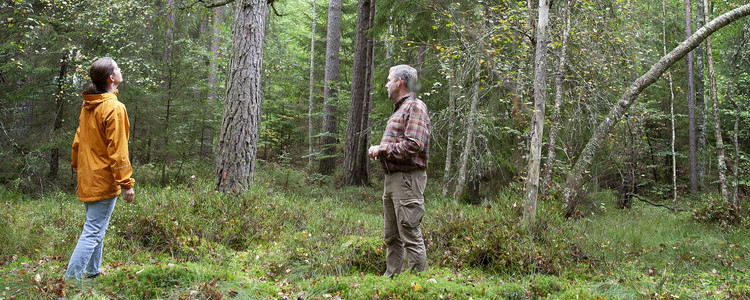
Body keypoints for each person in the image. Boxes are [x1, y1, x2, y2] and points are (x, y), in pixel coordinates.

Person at [65, 57, 135, 280]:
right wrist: (126, 184)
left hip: (89, 177)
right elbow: (118, 149)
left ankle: (93, 272)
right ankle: (70, 280)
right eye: (117, 68)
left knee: (96, 228)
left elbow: (78, 143)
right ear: (111, 78)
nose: (120, 69)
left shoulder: (89, 105)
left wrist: (80, 176)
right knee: (93, 231)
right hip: (103, 179)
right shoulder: (114, 107)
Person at [369, 64, 430, 277]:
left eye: (388, 80)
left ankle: (417, 285)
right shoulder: (401, 108)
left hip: (407, 179)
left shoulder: (415, 106)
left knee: (410, 234)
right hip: (393, 180)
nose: (386, 84)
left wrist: (381, 149)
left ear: (399, 82)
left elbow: (414, 145)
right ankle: (391, 278)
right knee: (392, 236)